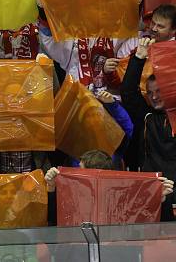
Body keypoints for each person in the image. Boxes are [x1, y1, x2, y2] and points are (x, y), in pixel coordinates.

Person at [45, 149, 174, 221]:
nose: (76, 174)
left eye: (80, 170)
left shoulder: (124, 198)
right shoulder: (74, 197)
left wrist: (160, 199)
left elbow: (153, 225)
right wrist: (51, 188)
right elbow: (53, 222)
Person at [120, 37, 176, 193]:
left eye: (159, 91)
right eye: (150, 92)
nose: (154, 97)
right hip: (150, 188)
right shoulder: (147, 116)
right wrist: (138, 58)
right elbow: (128, 92)